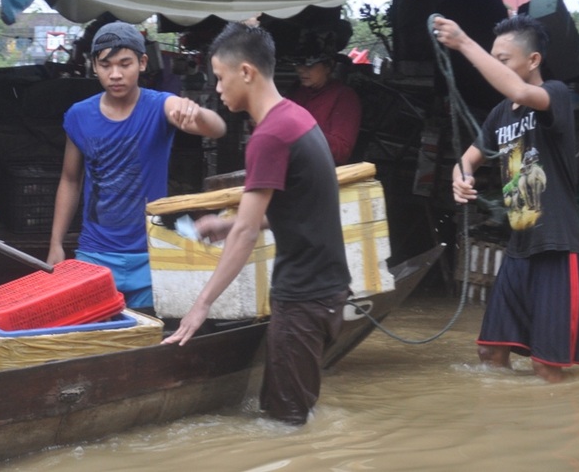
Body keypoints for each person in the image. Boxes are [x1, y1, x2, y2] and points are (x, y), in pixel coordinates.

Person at [162, 22, 352, 425]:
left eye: (220, 77)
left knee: (285, 424)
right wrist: (227, 224)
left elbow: (247, 233)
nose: (217, 88)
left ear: (246, 72)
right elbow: (299, 206)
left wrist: (201, 305)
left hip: (303, 298)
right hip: (328, 292)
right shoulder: (297, 117)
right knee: (291, 412)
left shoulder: (270, 136)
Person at [433, 13, 579, 383]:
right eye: (493, 59)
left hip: (555, 244)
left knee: (545, 366)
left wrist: (463, 42)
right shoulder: (499, 115)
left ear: (533, 60)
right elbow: (465, 161)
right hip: (519, 245)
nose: (494, 66)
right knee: (490, 351)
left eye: (502, 59)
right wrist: (461, 179)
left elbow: (520, 92)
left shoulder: (555, 94)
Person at [48, 21, 226, 309]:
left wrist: (197, 113)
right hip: (95, 254)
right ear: (94, 65)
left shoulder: (160, 106)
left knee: (149, 333)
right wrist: (56, 243)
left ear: (142, 63)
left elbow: (217, 129)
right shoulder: (79, 115)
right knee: (94, 332)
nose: (115, 74)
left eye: (125, 64)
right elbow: (70, 179)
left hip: (152, 252)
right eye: (106, 65)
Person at [287, 31, 362, 165]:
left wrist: (301, 132)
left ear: (328, 66)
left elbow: (342, 151)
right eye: (298, 64)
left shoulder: (344, 97)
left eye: (309, 65)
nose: (301, 70)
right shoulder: (297, 92)